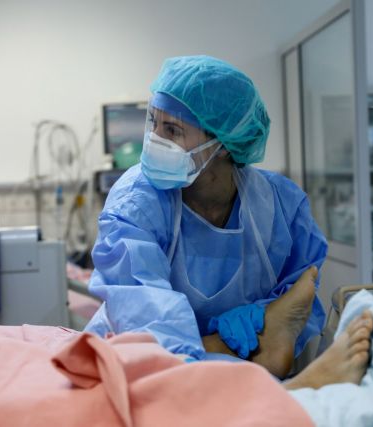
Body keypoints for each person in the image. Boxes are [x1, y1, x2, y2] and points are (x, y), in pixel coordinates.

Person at [85, 55, 328, 378]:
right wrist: (223, 345)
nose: (154, 139)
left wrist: (261, 316)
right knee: (156, 361)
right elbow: (139, 307)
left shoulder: (279, 205)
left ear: (223, 144)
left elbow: (297, 287)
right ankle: (226, 352)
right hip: (145, 358)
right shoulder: (137, 201)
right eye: (153, 122)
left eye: (172, 130)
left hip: (248, 363)